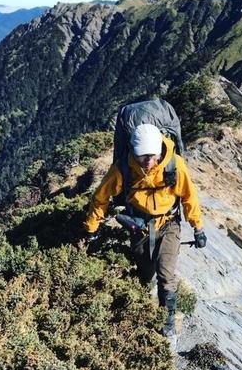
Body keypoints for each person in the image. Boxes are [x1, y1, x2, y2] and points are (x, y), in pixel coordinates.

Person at [84, 123, 206, 336]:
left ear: (159, 151)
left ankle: (167, 322)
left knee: (165, 274)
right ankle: (138, 309)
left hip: (168, 224)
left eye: (151, 156)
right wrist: (91, 228)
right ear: (134, 152)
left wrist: (198, 227)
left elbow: (189, 196)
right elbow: (101, 197)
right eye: (143, 156)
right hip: (139, 227)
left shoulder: (174, 165)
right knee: (144, 273)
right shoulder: (124, 168)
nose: (148, 161)